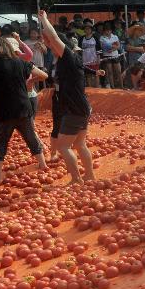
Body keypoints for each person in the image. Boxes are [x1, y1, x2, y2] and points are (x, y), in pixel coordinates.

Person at [0, 37, 49, 182]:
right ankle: (43, 164)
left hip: (3, 111)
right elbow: (44, 75)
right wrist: (30, 81)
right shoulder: (21, 62)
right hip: (23, 108)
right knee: (31, 137)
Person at [37, 11, 97, 184]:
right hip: (80, 107)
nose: (49, 45)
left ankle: (76, 179)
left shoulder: (69, 57)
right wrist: (46, 35)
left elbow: (54, 38)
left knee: (63, 146)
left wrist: (44, 20)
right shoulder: (65, 60)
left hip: (74, 109)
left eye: (52, 44)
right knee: (80, 144)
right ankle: (89, 175)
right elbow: (51, 41)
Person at [99, 23, 123, 89]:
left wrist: (112, 49)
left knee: (118, 71)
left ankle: (121, 86)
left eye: (109, 30)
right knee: (110, 72)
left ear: (111, 31)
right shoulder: (102, 38)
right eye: (106, 30)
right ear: (104, 31)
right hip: (107, 56)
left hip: (115, 55)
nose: (108, 32)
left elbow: (118, 46)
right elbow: (102, 47)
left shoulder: (115, 36)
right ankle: (113, 87)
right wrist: (113, 46)